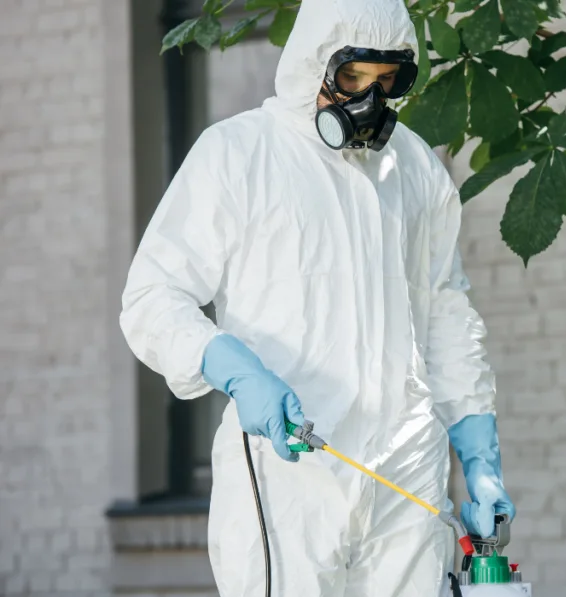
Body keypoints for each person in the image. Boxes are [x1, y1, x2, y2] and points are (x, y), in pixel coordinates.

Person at [118, 0, 515, 595]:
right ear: (314, 65)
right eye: (353, 78)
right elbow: (151, 296)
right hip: (291, 471)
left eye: (386, 82)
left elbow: (445, 312)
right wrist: (233, 369)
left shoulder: (412, 165)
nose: (369, 101)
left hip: (405, 470)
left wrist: (478, 450)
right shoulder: (239, 154)